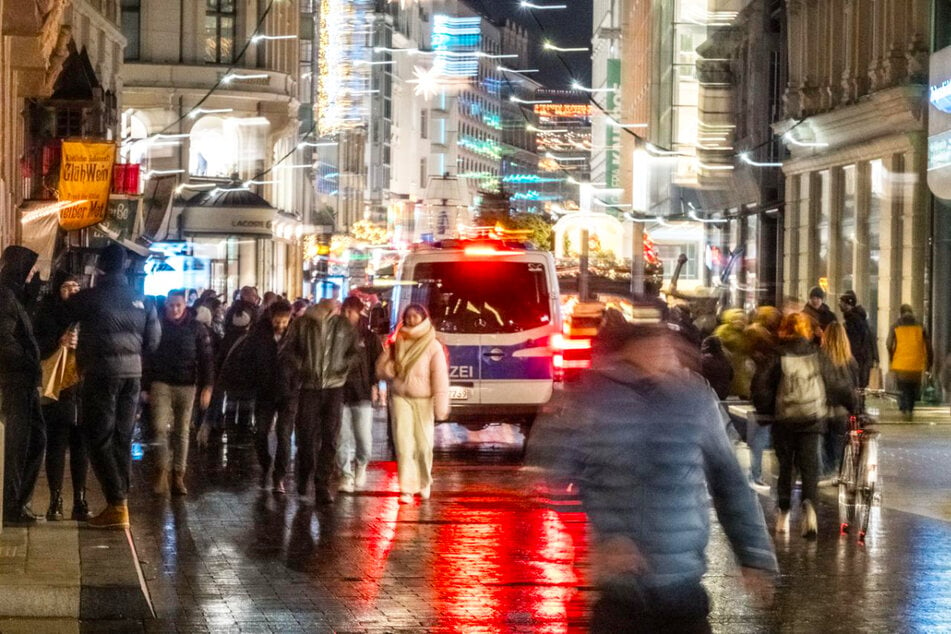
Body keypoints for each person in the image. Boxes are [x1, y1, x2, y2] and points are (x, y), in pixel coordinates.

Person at [528, 322, 778, 632]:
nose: (665, 355)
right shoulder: (592, 397)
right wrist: (602, 539)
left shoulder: (695, 399)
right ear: (628, 351)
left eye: (669, 346)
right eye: (656, 346)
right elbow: (552, 474)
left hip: (684, 587)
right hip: (620, 594)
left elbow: (730, 481)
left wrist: (753, 555)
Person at [67, 243, 161, 529]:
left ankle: (117, 503)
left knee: (98, 438)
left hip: (101, 374)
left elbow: (61, 314)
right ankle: (121, 501)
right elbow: (153, 342)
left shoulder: (91, 297)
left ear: (100, 267)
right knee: (122, 436)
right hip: (132, 375)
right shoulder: (143, 300)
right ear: (126, 267)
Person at [752, 312, 833, 538]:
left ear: (785, 329)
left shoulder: (777, 354)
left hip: (785, 419)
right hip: (812, 419)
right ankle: (810, 508)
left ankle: (784, 514)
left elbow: (761, 385)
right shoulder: (817, 354)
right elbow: (835, 383)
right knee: (810, 468)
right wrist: (849, 404)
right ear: (807, 330)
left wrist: (766, 409)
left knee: (786, 466)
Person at [284, 298, 358, 504]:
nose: (338, 309)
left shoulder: (343, 325)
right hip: (310, 387)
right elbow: (290, 350)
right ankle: (304, 472)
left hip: (334, 387)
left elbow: (354, 352)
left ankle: (322, 484)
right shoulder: (302, 324)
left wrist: (343, 366)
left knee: (330, 437)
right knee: (306, 436)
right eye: (334, 307)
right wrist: (302, 367)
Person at [376, 304, 449, 504]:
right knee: (404, 444)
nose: (411, 320)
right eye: (408, 316)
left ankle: (424, 482)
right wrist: (390, 369)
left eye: (415, 316)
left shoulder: (432, 345)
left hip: (424, 399)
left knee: (424, 446)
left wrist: (441, 404)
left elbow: (440, 376)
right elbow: (381, 369)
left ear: (424, 318)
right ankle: (407, 488)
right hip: (401, 397)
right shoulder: (397, 341)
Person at [144, 290, 214, 496]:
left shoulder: (197, 328)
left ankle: (178, 475)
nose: (175, 309)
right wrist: (145, 386)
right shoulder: (157, 325)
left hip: (187, 384)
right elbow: (148, 355)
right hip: (161, 382)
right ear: (166, 305)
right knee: (158, 428)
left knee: (182, 431)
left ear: (185, 306)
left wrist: (207, 386)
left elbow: (207, 358)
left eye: (178, 305)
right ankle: (161, 470)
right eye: (171, 305)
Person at [33, 272, 90, 521]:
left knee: (81, 446)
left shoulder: (89, 314)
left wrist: (83, 344)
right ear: (58, 289)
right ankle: (55, 499)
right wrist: (59, 341)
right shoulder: (46, 312)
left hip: (83, 387)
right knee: (56, 443)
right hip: (57, 389)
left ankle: (80, 499)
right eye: (68, 287)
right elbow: (36, 346)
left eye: (77, 287)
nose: (73, 291)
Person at [0, 246, 46, 525]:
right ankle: (11, 505)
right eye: (28, 270)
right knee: (18, 445)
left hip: (23, 381)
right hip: (16, 381)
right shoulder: (4, 295)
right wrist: (29, 361)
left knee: (34, 439)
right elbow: (4, 340)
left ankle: (17, 502)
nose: (31, 275)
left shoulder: (11, 294)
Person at [247, 299, 296, 493]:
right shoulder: (259, 334)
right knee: (260, 432)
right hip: (265, 391)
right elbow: (248, 358)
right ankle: (265, 462)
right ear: (271, 317)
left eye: (285, 321)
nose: (281, 325)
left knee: (284, 435)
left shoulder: (295, 335)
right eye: (278, 321)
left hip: (288, 393)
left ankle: (279, 476)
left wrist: (295, 380)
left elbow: (302, 358)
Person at [337, 296, 383, 493]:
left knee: (363, 436)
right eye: (344, 311)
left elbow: (377, 363)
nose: (347, 315)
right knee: (342, 437)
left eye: (351, 311)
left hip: (362, 392)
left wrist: (375, 385)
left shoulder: (369, 337)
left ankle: (361, 464)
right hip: (339, 391)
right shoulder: (335, 334)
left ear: (358, 312)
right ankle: (345, 474)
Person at [745, 306, 782, 490]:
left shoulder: (760, 335)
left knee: (764, 434)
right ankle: (754, 474)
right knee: (761, 434)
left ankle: (756, 473)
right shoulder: (761, 337)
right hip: (766, 393)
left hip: (765, 392)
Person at [820, 322, 859, 482]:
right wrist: (855, 408)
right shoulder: (850, 361)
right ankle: (839, 472)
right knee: (841, 441)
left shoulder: (819, 357)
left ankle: (827, 470)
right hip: (843, 411)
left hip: (822, 409)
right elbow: (854, 387)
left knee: (825, 443)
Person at [886, 304, 933, 421]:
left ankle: (903, 408)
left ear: (901, 313)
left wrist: (892, 356)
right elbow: (928, 346)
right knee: (912, 388)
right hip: (916, 364)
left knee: (902, 387)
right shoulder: (921, 326)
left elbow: (888, 343)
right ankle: (910, 409)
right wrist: (929, 363)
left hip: (900, 363)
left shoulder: (895, 326)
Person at [839, 290, 878, 388]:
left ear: (848, 304)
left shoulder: (853, 321)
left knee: (856, 387)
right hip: (862, 359)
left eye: (842, 302)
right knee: (860, 388)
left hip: (858, 359)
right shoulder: (859, 319)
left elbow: (854, 343)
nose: (840, 305)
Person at [713, 308, 752, 399]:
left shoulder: (746, 332)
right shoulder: (723, 331)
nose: (739, 322)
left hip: (740, 366)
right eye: (736, 319)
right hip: (729, 364)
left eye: (742, 320)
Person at [700, 335, 732, 400]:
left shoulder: (703, 360)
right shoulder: (725, 360)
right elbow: (731, 375)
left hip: (708, 394)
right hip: (723, 394)